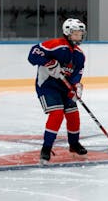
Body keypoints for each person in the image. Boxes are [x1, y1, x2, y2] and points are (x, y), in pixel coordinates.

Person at [27, 18, 87, 164]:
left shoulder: (79, 54)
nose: (79, 36)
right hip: (47, 86)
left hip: (64, 88)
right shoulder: (56, 45)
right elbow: (33, 55)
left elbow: (77, 73)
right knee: (57, 114)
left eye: (81, 33)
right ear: (67, 32)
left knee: (73, 114)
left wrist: (76, 86)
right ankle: (46, 148)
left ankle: (74, 144)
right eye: (76, 33)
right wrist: (48, 62)